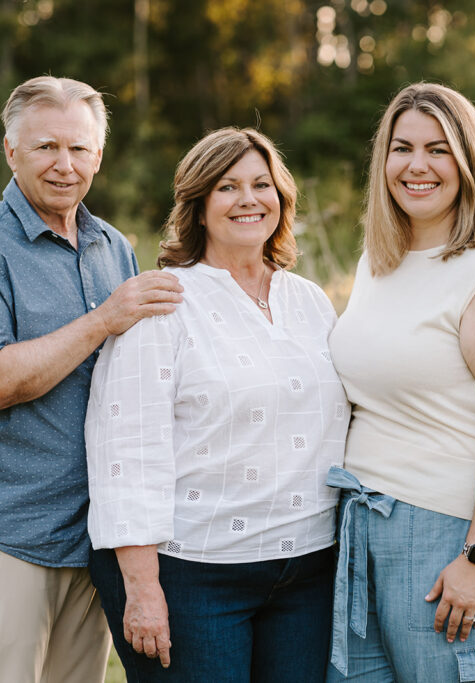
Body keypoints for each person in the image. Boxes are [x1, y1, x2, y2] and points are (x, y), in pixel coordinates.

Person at [0, 76, 182, 683]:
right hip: (8, 534)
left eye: (79, 148)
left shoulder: (112, 247)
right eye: (46, 147)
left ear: (99, 155)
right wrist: (102, 320)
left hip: (94, 539)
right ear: (11, 151)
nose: (64, 165)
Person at [85, 127, 349, 682]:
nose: (249, 199)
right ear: (199, 207)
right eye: (228, 187)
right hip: (195, 574)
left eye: (262, 184)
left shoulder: (308, 300)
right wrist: (143, 588)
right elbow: (126, 448)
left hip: (308, 568)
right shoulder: (164, 301)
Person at [325, 82, 475, 681]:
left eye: (439, 149)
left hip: (459, 537)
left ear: (469, 164)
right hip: (369, 528)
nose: (417, 166)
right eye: (402, 148)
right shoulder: (380, 261)